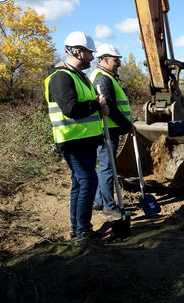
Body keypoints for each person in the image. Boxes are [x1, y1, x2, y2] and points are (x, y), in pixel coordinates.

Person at [44, 31, 109, 240]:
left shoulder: (78, 76)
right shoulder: (60, 77)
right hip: (73, 141)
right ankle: (83, 230)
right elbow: (71, 109)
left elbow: (86, 107)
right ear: (78, 52)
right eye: (90, 53)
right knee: (89, 182)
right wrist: (96, 104)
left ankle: (76, 228)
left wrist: (99, 108)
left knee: (80, 183)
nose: (92, 57)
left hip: (85, 141)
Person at [89, 43, 134, 217]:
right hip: (108, 130)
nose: (119, 64)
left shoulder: (107, 76)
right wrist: (127, 125)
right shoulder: (103, 78)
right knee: (108, 168)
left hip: (111, 129)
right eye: (116, 60)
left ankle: (99, 201)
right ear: (105, 59)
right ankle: (109, 206)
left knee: (105, 166)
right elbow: (111, 109)